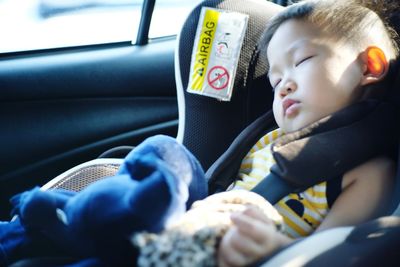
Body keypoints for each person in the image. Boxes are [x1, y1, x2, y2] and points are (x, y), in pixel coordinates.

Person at [217, 0, 400, 266]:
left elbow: (331, 253)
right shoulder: (268, 140)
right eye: (275, 81)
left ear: (369, 66)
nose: (283, 87)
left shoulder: (369, 172)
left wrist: (274, 246)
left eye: (301, 60)